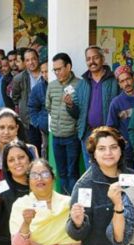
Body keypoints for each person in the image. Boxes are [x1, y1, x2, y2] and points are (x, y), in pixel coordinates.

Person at [70, 46, 119, 168]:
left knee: (109, 167)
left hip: (108, 133)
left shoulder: (113, 80)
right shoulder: (82, 83)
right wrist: (70, 105)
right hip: (88, 133)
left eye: (95, 57)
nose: (92, 61)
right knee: (91, 169)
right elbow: (76, 114)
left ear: (102, 59)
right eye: (88, 59)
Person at [46, 52, 81, 194]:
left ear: (68, 67)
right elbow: (48, 106)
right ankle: (64, 202)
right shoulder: (52, 85)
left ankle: (74, 202)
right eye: (54, 70)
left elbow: (80, 112)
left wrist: (70, 106)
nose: (57, 73)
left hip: (72, 136)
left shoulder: (79, 85)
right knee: (61, 173)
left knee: (72, 173)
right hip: (56, 136)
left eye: (59, 69)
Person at [106, 65, 134, 169]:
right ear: (119, 84)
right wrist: (120, 141)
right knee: (128, 182)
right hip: (126, 152)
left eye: (128, 79)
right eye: (122, 81)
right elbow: (110, 128)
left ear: (133, 79)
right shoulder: (116, 103)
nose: (126, 83)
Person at [12, 48, 43, 148]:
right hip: (29, 120)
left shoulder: (46, 74)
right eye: (27, 60)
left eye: (33, 59)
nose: (31, 62)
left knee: (46, 147)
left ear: (38, 59)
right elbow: (15, 97)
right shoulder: (19, 78)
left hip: (44, 116)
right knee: (33, 147)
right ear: (24, 62)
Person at [27, 60, 49, 158]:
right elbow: (32, 107)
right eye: (42, 72)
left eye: (47, 71)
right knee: (45, 149)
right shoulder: (38, 88)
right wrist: (38, 122)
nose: (45, 75)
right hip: (44, 127)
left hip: (62, 127)